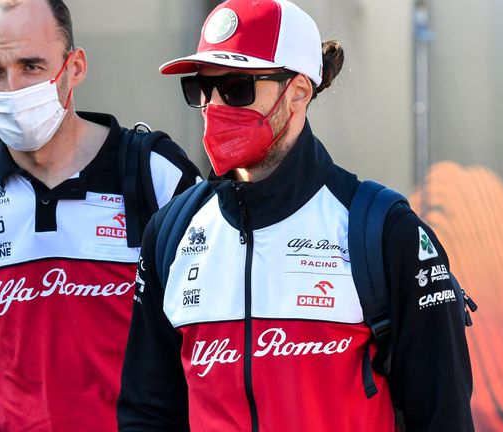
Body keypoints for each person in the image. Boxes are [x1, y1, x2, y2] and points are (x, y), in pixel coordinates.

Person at [117, 0, 474, 431]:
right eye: (201, 89)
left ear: (299, 91)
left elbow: (442, 415)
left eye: (236, 87)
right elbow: (149, 412)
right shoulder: (171, 232)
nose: (214, 106)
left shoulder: (384, 230)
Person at [0, 0, 200, 431]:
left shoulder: (157, 174)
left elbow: (217, 333)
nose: (13, 89)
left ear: (74, 67)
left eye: (31, 66)